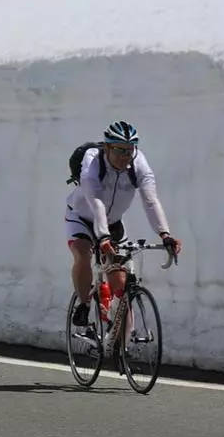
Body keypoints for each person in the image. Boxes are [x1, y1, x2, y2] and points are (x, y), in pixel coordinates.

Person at [64, 120, 181, 328]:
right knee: (83, 254)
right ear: (107, 147)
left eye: (130, 150)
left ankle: (120, 350)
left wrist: (165, 235)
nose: (126, 156)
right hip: (81, 218)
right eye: (120, 150)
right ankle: (83, 305)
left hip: (113, 224)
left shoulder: (138, 163)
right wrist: (102, 236)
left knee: (121, 286)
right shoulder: (93, 161)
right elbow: (96, 199)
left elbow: (150, 199)